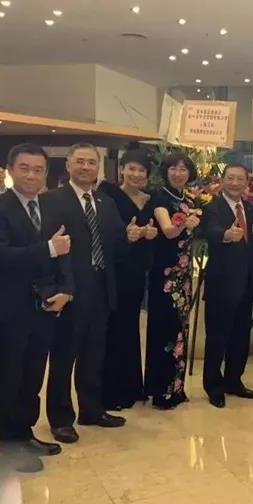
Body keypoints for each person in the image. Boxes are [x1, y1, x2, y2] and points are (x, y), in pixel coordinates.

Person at [0, 143, 73, 473]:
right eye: (24, 168)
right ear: (10, 171)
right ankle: (9, 441)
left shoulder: (48, 207)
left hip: (44, 305)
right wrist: (48, 248)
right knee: (9, 374)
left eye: (38, 169)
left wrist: (66, 290)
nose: (31, 175)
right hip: (9, 307)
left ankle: (26, 431)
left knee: (33, 373)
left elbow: (65, 252)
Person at [44, 142, 142, 443]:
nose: (86, 167)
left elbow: (115, 244)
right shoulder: (52, 200)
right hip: (70, 290)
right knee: (64, 357)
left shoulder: (105, 202)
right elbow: (49, 249)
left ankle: (92, 409)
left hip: (102, 288)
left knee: (94, 355)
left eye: (91, 162)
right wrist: (58, 288)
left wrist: (130, 236)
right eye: (80, 161)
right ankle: (61, 418)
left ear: (98, 167)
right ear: (68, 165)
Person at [98, 150, 158, 412]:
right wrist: (127, 233)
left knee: (131, 328)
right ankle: (111, 393)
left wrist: (150, 233)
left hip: (137, 272)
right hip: (115, 270)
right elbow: (105, 230)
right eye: (131, 168)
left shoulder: (150, 199)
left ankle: (132, 387)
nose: (136, 174)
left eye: (141, 170)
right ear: (121, 169)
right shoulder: (108, 194)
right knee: (114, 330)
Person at [201, 163, 253, 408]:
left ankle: (234, 380)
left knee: (240, 337)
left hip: (246, 285)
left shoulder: (250, 208)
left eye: (240, 179)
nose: (235, 183)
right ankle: (214, 387)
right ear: (222, 180)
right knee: (217, 338)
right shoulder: (211, 208)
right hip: (221, 285)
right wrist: (226, 235)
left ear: (247, 182)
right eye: (231, 178)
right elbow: (210, 231)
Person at [146, 153, 200, 409]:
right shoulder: (160, 197)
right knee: (164, 329)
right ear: (166, 171)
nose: (178, 173)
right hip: (166, 274)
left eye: (183, 169)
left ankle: (176, 388)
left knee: (180, 330)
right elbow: (168, 231)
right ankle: (161, 391)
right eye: (174, 169)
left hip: (183, 274)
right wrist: (184, 224)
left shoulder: (187, 198)